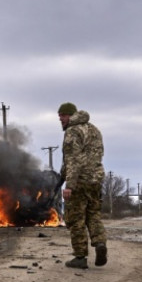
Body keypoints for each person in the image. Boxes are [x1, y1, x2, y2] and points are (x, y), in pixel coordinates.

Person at [58, 102, 108, 269]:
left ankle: (80, 257)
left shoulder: (72, 131)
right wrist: (61, 175)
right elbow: (97, 154)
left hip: (79, 181)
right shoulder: (94, 130)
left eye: (63, 115)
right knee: (93, 214)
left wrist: (69, 185)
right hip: (95, 180)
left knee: (76, 219)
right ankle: (100, 243)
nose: (60, 119)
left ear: (71, 115)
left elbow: (73, 160)